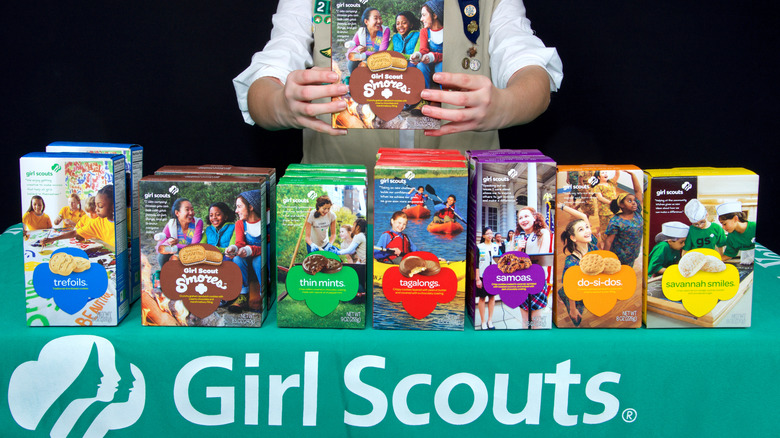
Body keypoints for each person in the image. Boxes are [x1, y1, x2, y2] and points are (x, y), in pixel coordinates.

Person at [233, 0, 563, 167]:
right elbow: (264, 83)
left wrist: (504, 106)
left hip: (462, 218)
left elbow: (532, 75)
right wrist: (281, 105)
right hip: (343, 217)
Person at [41, 185, 117, 251]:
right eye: (96, 206)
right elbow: (75, 232)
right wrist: (51, 239)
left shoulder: (125, 220)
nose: (96, 210)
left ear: (113, 206)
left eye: (100, 206)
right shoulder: (97, 223)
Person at [557, 204, 597, 326]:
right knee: (577, 320)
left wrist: (562, 206)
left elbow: (583, 215)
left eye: (586, 227)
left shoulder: (592, 243)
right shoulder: (572, 262)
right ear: (573, 238)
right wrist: (573, 309)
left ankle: (560, 293)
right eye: (581, 230)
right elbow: (571, 288)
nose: (587, 231)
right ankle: (561, 294)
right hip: (575, 293)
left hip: (586, 285)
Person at [226, 190, 265, 312]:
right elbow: (240, 243)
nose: (236, 211)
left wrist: (249, 249)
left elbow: (268, 246)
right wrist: (234, 248)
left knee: (258, 261)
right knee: (237, 258)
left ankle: (263, 294)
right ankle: (243, 294)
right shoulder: (240, 224)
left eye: (239, 206)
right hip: (247, 257)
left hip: (262, 256)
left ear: (251, 207)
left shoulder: (265, 224)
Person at [603, 171, 643, 267]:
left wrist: (632, 175)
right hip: (619, 256)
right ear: (621, 205)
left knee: (628, 272)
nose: (634, 203)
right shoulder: (616, 221)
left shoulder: (637, 212)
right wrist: (604, 258)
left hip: (633, 254)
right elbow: (608, 241)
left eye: (634, 200)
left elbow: (638, 191)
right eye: (629, 201)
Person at [155, 198, 204, 268]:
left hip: (191, 254)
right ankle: (164, 273)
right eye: (187, 210)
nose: (191, 212)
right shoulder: (172, 224)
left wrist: (175, 245)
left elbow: (194, 246)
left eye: (192, 210)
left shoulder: (197, 222)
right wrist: (168, 242)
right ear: (177, 213)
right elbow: (160, 247)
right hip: (174, 254)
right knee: (163, 254)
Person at [410, 0, 444, 89]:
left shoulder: (447, 31)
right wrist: (418, 55)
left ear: (435, 15)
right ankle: (425, 95)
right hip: (429, 62)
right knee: (421, 65)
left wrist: (432, 56)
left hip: (442, 61)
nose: (421, 19)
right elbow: (424, 50)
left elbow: (451, 54)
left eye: (424, 15)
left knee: (440, 68)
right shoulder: (424, 31)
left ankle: (445, 95)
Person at [346, 7, 390, 74]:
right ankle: (353, 79)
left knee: (365, 60)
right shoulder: (361, 32)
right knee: (352, 61)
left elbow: (381, 53)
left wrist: (364, 52)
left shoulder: (385, 31)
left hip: (378, 61)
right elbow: (349, 54)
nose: (379, 21)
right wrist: (358, 49)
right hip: (363, 60)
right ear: (366, 21)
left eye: (380, 18)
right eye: (375, 18)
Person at [475, 227, 499, 330]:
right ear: (484, 235)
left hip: (493, 276)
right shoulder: (479, 247)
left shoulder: (496, 246)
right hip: (482, 276)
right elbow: (476, 264)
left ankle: (490, 320)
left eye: (491, 233)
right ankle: (483, 321)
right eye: (487, 233)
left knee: (492, 297)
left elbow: (501, 261)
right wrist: (477, 279)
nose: (490, 235)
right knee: (482, 298)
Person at [592, 170, 619, 247]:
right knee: (604, 227)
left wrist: (617, 168)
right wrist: (611, 203)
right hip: (604, 211)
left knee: (614, 225)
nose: (605, 174)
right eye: (603, 173)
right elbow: (600, 198)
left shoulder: (611, 183)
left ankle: (613, 240)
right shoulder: (597, 187)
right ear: (599, 177)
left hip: (614, 210)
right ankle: (603, 241)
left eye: (606, 172)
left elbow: (617, 175)